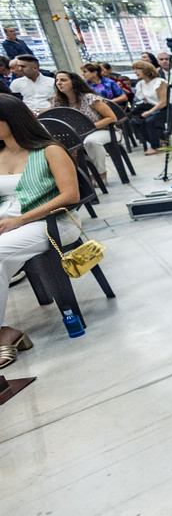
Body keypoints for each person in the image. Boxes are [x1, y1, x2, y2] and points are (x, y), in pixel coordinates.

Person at [0, 95, 81, 369]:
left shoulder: (48, 150)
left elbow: (70, 195)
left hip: (49, 223)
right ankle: (4, 334)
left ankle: (3, 335)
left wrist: (20, 220)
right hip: (9, 225)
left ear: (11, 120)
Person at [51, 71, 118, 184]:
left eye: (63, 80)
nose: (59, 83)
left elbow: (111, 118)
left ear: (74, 82)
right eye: (57, 80)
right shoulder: (58, 102)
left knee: (91, 141)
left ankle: (100, 174)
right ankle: (73, 181)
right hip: (76, 135)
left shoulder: (90, 98)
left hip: (104, 130)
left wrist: (88, 128)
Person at [129, 60, 167, 154]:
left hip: (165, 108)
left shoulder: (159, 82)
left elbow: (163, 102)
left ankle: (156, 146)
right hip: (151, 107)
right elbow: (145, 101)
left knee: (149, 121)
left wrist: (149, 112)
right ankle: (157, 141)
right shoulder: (140, 84)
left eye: (138, 69)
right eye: (134, 69)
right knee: (134, 121)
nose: (135, 71)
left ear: (146, 70)